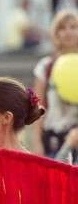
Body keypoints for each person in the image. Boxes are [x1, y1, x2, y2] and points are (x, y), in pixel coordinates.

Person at [33, 9, 78, 157]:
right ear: (56, 33)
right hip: (53, 140)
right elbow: (36, 106)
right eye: (62, 28)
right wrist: (37, 142)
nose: (68, 32)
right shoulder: (46, 66)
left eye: (73, 27)